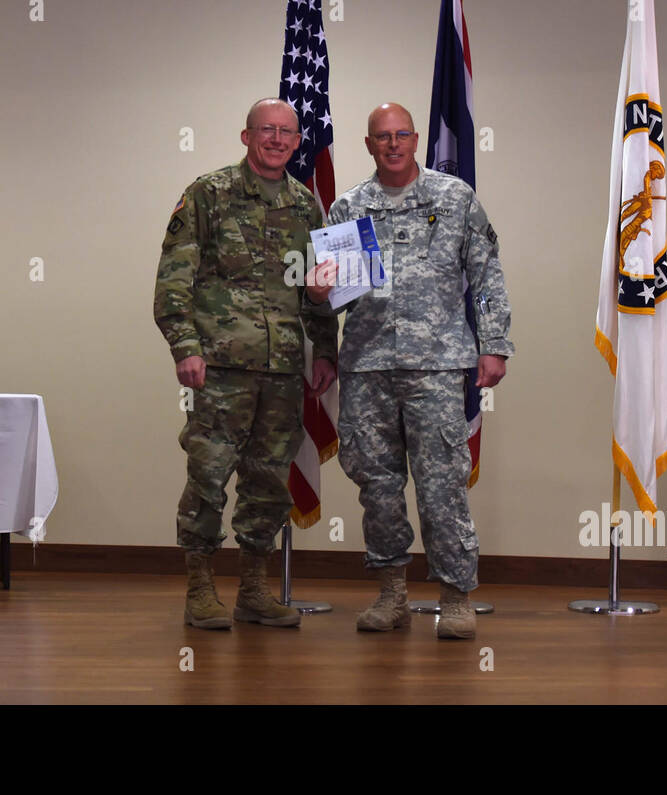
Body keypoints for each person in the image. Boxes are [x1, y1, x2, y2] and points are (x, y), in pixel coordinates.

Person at [308, 102, 513, 639]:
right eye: (382, 137)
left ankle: (456, 597)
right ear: (369, 144)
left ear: (416, 139)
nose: (393, 144)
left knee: (442, 484)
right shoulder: (348, 207)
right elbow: (328, 297)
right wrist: (323, 327)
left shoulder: (454, 198)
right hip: (367, 365)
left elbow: (486, 274)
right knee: (376, 484)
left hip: (438, 366)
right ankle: (391, 594)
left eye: (402, 135)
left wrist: (494, 345)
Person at [154, 98, 337, 630]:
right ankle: (199, 585)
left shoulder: (305, 206)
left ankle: (253, 588)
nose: (277, 140)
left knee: (267, 480)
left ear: (296, 141)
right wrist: (184, 347)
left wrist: (324, 349)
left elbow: (314, 287)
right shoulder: (208, 194)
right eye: (267, 131)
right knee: (208, 473)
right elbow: (173, 279)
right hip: (218, 368)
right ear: (246, 136)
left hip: (282, 369)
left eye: (286, 132)